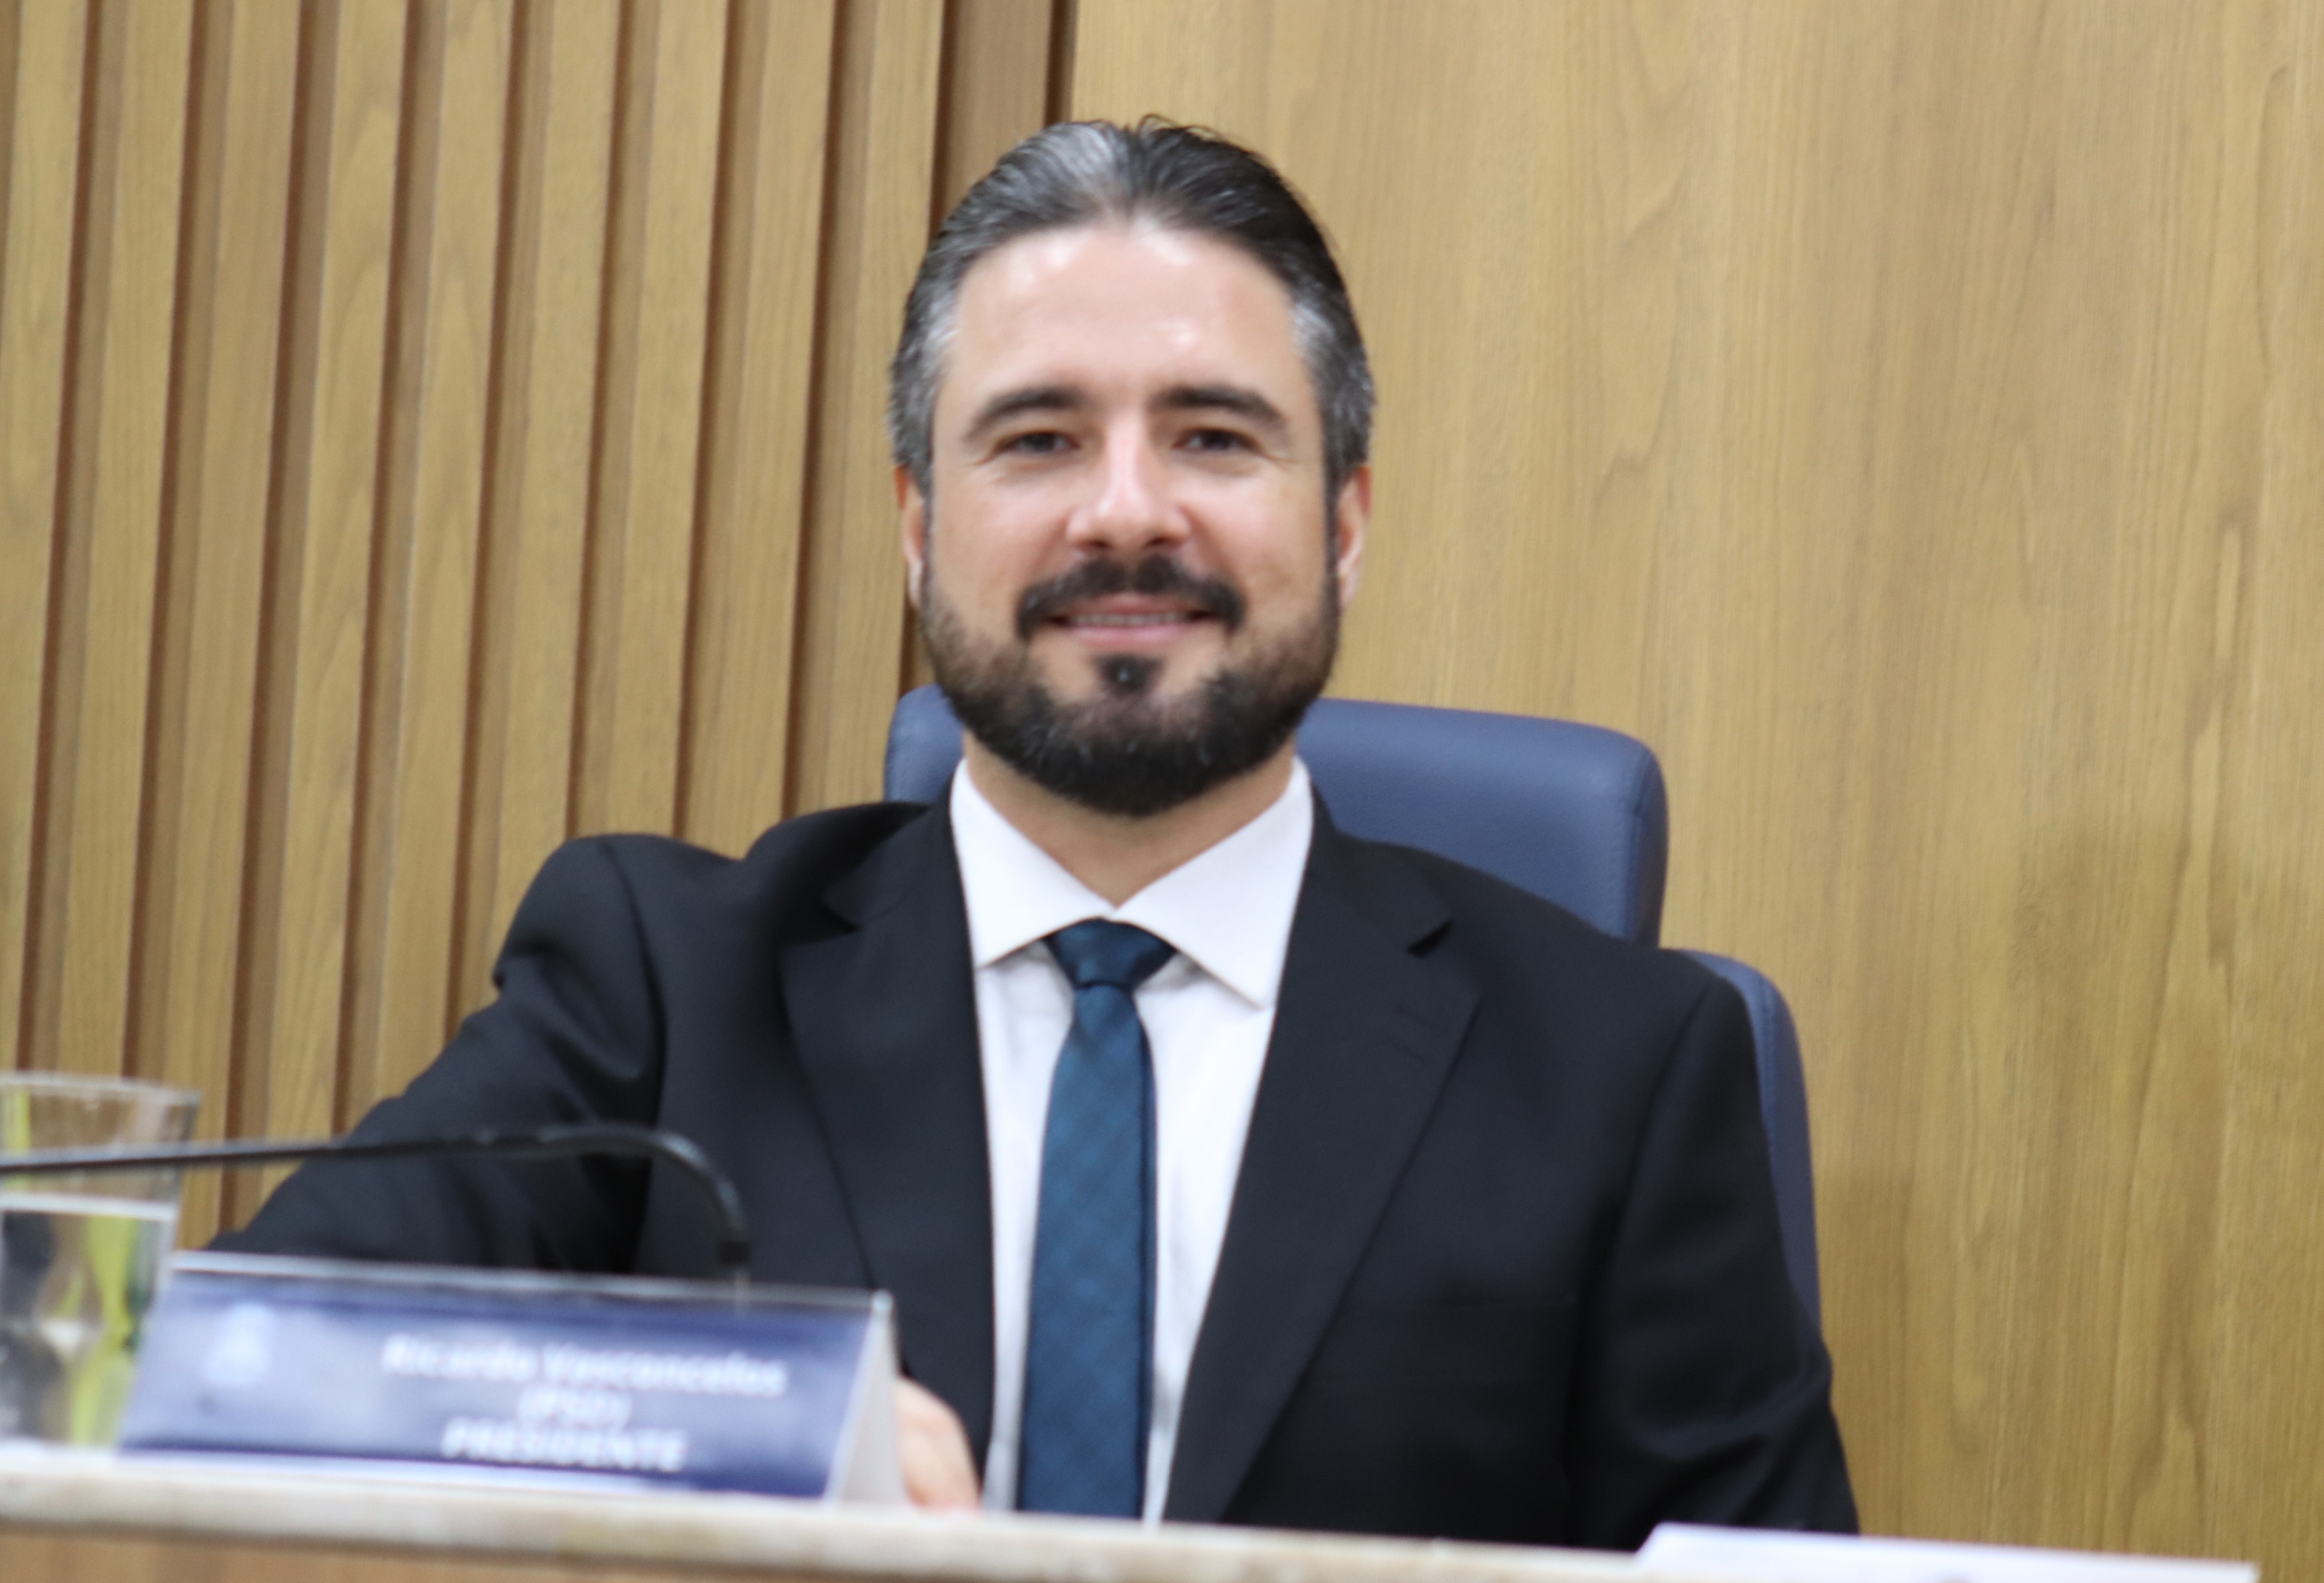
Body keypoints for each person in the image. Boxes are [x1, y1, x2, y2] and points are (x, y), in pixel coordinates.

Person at [228, 120, 1857, 1546]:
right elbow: (245, 1364)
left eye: (1214, 436)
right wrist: (756, 1421)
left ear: (1345, 524)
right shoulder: (664, 983)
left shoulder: (1621, 1070)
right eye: (1039, 440)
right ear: (918, 527)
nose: (1126, 510)